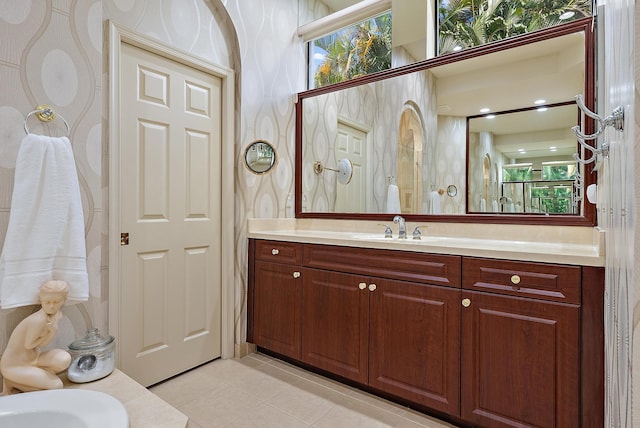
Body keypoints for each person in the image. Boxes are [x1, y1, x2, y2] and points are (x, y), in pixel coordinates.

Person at [1, 280, 72, 395]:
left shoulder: (54, 316)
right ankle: (11, 382)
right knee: (56, 386)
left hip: (34, 358)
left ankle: (37, 377)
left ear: (63, 301)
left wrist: (52, 331)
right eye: (47, 302)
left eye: (57, 302)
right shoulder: (38, 320)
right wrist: (52, 331)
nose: (52, 306)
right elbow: (29, 345)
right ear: (41, 300)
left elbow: (42, 345)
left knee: (64, 358)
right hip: (14, 365)